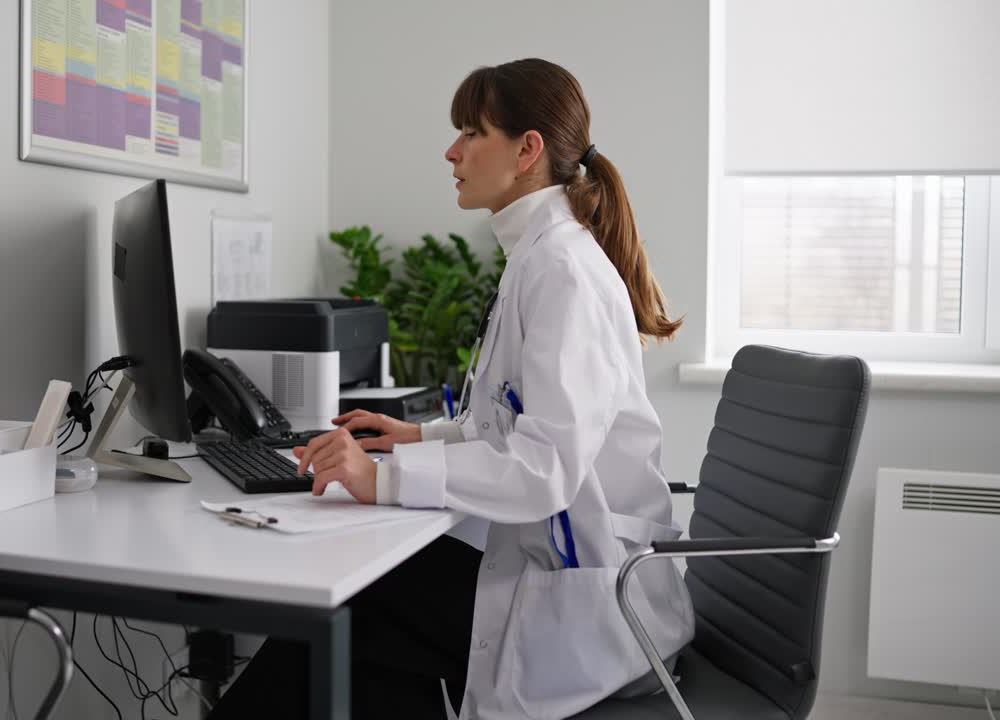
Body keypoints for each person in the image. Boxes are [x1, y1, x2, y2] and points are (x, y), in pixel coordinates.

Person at [209, 58, 694, 720]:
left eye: (471, 132)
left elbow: (544, 466)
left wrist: (382, 478)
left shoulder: (562, 271)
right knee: (341, 637)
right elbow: (510, 421)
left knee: (328, 625)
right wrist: (421, 436)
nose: (452, 150)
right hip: (549, 573)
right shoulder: (539, 255)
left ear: (528, 150)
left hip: (591, 603)